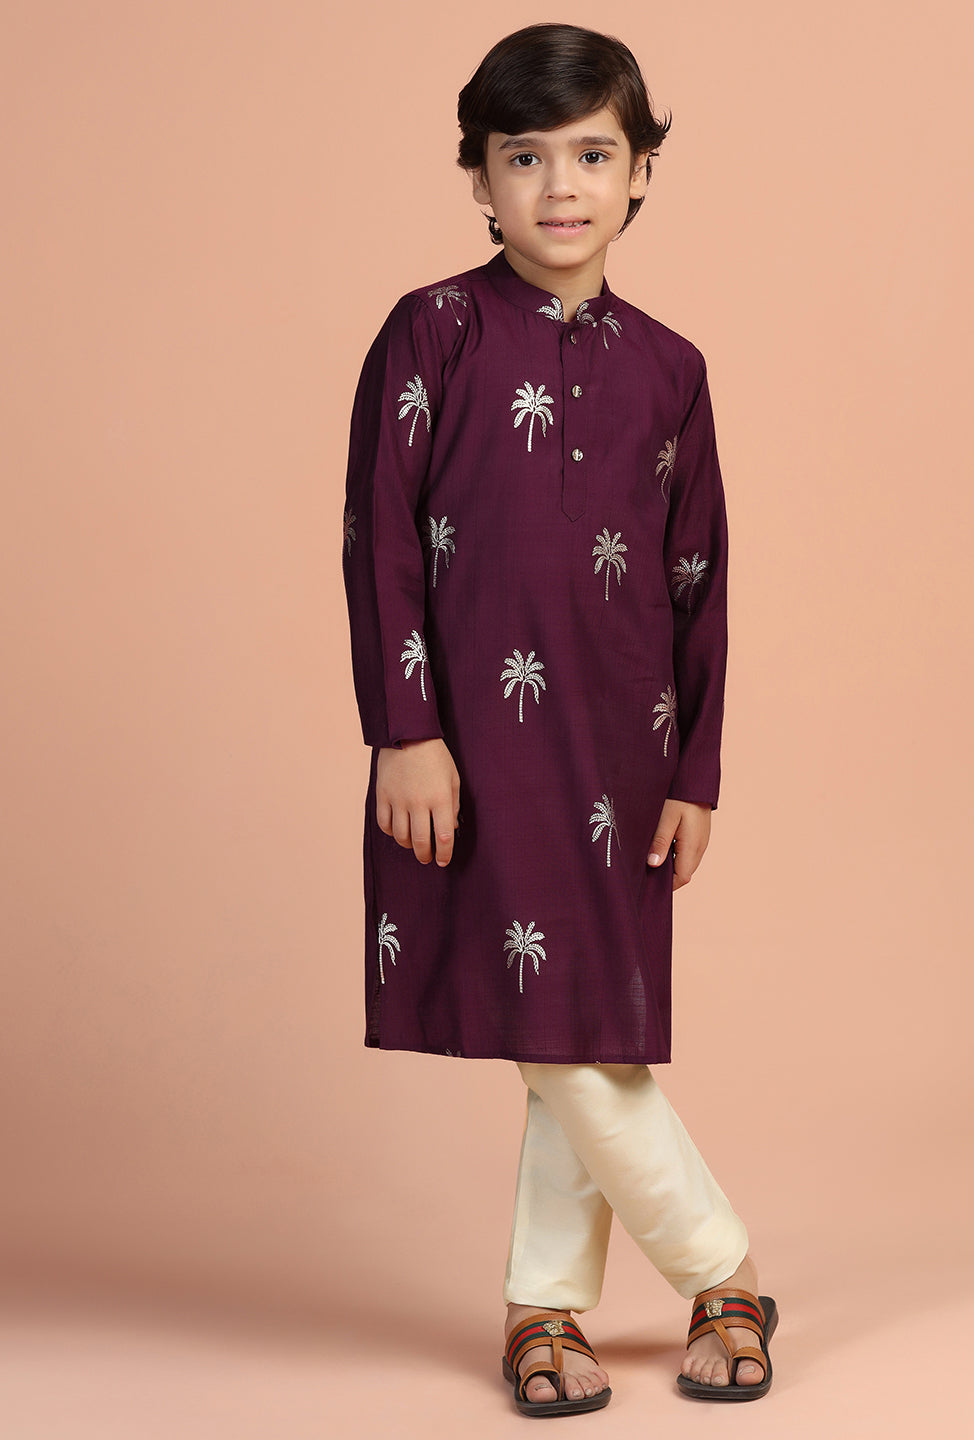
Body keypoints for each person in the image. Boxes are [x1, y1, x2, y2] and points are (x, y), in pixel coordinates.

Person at [342, 22, 777, 1416]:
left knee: (585, 1027)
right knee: (560, 1025)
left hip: (623, 747)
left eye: (593, 154)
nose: (560, 187)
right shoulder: (434, 330)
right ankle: (722, 1269)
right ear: (480, 178)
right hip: (474, 744)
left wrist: (697, 770)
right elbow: (380, 540)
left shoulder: (671, 366)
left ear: (641, 170)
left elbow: (700, 577)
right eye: (524, 158)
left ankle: (545, 1312)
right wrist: (405, 729)